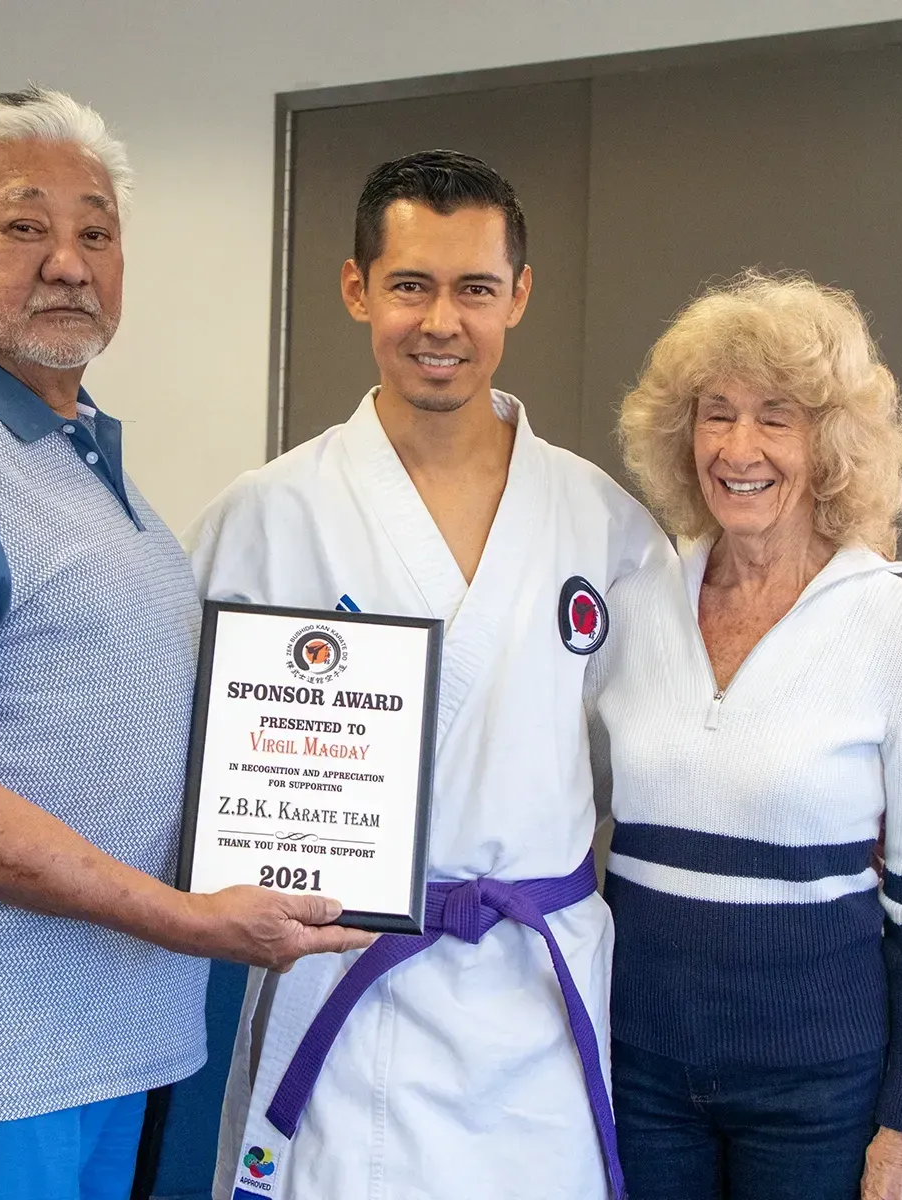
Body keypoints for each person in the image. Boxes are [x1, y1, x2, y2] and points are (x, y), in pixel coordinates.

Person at [0, 88, 370, 1200]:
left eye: (96, 232)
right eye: (24, 226)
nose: (68, 261)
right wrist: (185, 918)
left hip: (104, 1028)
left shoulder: (76, 451)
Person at [186, 150, 671, 1200]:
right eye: (410, 285)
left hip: (534, 993)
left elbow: (657, 760)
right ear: (357, 287)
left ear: (519, 296)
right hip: (344, 985)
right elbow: (187, 766)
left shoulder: (605, 526)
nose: (441, 320)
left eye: (474, 289)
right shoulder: (267, 516)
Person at [598, 271, 902, 1200]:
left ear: (834, 442)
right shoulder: (632, 607)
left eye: (777, 417)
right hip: (636, 1064)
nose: (738, 447)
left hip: (819, 1089)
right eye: (714, 415)